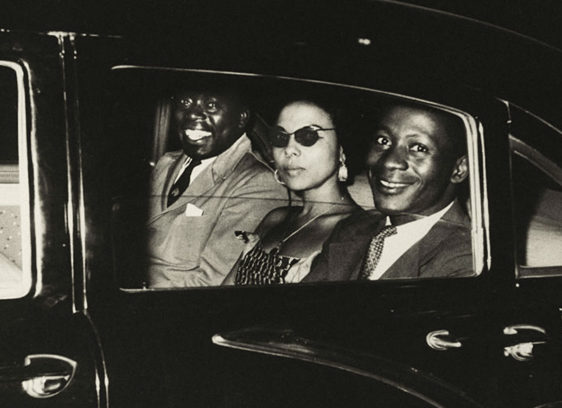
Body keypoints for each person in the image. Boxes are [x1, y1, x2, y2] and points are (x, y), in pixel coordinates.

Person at [303, 103, 473, 281]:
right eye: (383, 141)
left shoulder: (468, 261)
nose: (389, 162)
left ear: (459, 169)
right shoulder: (353, 227)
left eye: (418, 148)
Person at [146, 87, 288, 287]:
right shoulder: (166, 163)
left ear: (241, 118)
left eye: (211, 105)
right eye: (185, 103)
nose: (192, 114)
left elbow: (211, 283)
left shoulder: (258, 183)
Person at [222, 99, 360, 285]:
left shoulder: (356, 231)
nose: (289, 149)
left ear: (341, 151)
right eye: (280, 137)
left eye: (308, 136)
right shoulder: (275, 218)